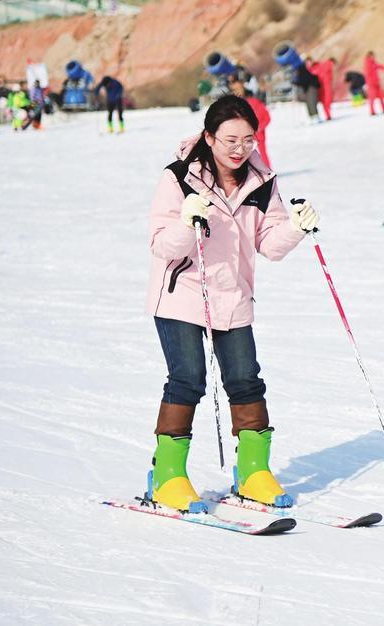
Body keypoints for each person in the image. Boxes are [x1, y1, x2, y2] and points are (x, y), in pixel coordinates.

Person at [144, 95, 320, 513]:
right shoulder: (179, 177)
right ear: (209, 137)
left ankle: (253, 471)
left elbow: (269, 245)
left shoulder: (262, 182)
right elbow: (162, 245)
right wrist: (186, 221)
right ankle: (167, 475)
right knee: (187, 379)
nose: (240, 149)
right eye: (230, 140)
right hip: (182, 294)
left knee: (245, 380)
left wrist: (295, 227)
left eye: (248, 140)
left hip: (233, 295)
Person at [230, 78, 272, 168]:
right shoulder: (235, 105)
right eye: (234, 90)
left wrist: (260, 127)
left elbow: (267, 117)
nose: (237, 92)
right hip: (244, 136)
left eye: (238, 89)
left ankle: (267, 170)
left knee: (262, 154)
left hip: (258, 135)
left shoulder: (254, 102)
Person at [292, 58, 321, 124]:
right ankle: (312, 116)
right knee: (309, 102)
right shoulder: (302, 69)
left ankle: (315, 116)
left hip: (312, 86)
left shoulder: (312, 68)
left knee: (312, 102)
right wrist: (296, 82)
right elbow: (302, 79)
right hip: (306, 87)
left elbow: (310, 78)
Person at [363, 51, 384, 115]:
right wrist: (369, 83)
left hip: (377, 83)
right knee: (372, 98)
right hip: (371, 84)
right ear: (369, 56)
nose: (373, 57)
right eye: (372, 56)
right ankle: (372, 111)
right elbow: (367, 74)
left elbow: (380, 66)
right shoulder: (367, 63)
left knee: (381, 97)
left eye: (374, 56)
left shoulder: (373, 63)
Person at [311, 57, 336, 121]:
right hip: (326, 85)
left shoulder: (315, 68)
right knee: (327, 101)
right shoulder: (328, 64)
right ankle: (328, 115)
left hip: (320, 87)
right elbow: (329, 76)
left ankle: (327, 115)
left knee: (324, 102)